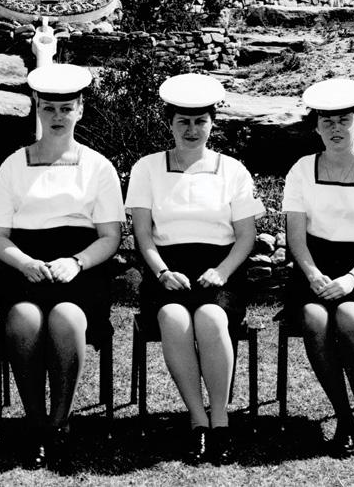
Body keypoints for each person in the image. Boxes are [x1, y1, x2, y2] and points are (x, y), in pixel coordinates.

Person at [0, 63, 125, 470]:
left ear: (80, 109)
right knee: (24, 320)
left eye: (66, 108)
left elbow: (110, 237)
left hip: (80, 269)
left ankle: (60, 423)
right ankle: (35, 423)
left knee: (66, 317)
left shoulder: (98, 166)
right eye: (48, 108)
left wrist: (77, 262)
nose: (58, 117)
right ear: (37, 109)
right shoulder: (14, 165)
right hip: (24, 267)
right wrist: (25, 262)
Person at [125, 73, 265, 464]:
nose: (191, 130)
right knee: (173, 318)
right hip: (166, 270)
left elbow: (246, 237)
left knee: (210, 317)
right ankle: (197, 421)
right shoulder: (147, 168)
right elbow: (142, 235)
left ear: (212, 124)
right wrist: (162, 272)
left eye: (200, 121)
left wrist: (222, 271)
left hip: (220, 270)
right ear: (169, 124)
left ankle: (220, 421)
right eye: (182, 121)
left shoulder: (233, 170)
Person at [282, 78, 354, 462]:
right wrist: (312, 274)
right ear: (316, 127)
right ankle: (344, 418)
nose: (336, 128)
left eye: (344, 120)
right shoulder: (301, 170)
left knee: (350, 314)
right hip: (314, 266)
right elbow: (296, 237)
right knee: (314, 318)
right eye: (327, 121)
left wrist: (351, 279)